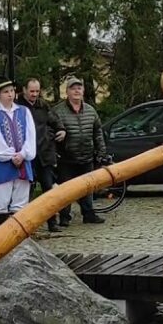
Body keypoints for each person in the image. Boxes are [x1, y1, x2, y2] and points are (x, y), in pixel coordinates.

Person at [51, 77, 108, 225]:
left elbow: (98, 132)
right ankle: (64, 217)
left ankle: (88, 214)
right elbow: (50, 132)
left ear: (83, 91)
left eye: (79, 88)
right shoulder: (58, 111)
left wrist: (101, 151)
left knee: (87, 188)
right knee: (66, 190)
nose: (77, 91)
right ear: (67, 92)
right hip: (66, 158)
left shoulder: (90, 110)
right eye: (73, 88)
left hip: (87, 157)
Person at [0, 79, 36, 228]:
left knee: (21, 202)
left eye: (12, 91)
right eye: (6, 92)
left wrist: (23, 154)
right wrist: (10, 155)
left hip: (23, 162)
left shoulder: (24, 111)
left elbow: (31, 136)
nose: (10, 94)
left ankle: (19, 239)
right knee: (0, 203)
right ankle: (1, 240)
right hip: (3, 164)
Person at [17, 77, 67, 233]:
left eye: (37, 91)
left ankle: (52, 222)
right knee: (25, 192)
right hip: (26, 156)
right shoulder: (17, 107)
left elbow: (54, 120)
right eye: (31, 91)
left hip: (44, 153)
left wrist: (61, 129)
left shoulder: (43, 105)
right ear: (24, 90)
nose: (34, 94)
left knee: (48, 189)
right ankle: (26, 224)